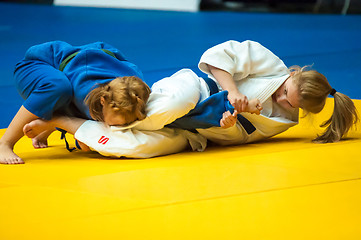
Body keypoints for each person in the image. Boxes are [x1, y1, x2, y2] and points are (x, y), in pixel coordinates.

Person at [0, 41, 151, 164]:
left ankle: (48, 126)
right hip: (36, 64)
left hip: (85, 60)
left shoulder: (136, 91)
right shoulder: (85, 93)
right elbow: (83, 139)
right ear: (102, 101)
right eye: (115, 124)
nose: (119, 128)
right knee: (57, 87)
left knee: (79, 113)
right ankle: (4, 144)